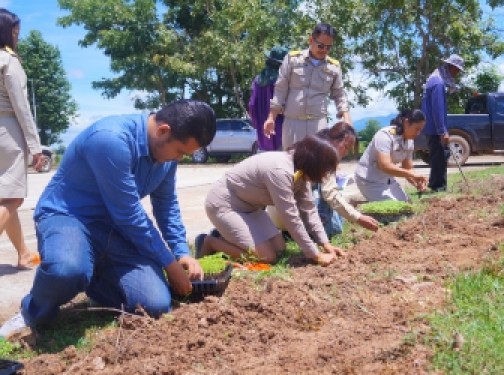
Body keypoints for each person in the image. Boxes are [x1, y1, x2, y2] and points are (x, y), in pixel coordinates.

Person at [0, 99, 217, 340]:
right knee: (67, 269)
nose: (178, 159)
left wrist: (181, 251)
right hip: (69, 218)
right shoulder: (111, 139)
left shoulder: (166, 157)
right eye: (179, 152)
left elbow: (166, 204)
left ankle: (91, 276)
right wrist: (169, 263)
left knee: (154, 305)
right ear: (163, 130)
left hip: (114, 229)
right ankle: (32, 310)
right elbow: (129, 214)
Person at [195, 135, 345, 266]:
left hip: (251, 208)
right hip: (225, 205)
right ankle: (210, 242)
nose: (325, 175)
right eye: (325, 169)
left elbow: (309, 210)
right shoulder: (280, 171)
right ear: (313, 163)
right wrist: (314, 254)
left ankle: (227, 236)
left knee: (279, 249)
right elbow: (290, 216)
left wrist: (325, 244)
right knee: (266, 257)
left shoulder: (301, 171)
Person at [0, 8, 44, 270]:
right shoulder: (8, 60)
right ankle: (24, 253)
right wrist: (36, 147)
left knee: (4, 196)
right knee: (13, 198)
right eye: (15, 31)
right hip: (7, 133)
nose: (18, 36)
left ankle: (23, 253)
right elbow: (21, 107)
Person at [263, 23, 351, 150]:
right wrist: (271, 117)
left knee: (317, 163)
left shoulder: (334, 67)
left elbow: (339, 94)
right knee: (291, 161)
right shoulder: (292, 59)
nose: (324, 50)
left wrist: (346, 118)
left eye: (328, 47)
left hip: (318, 124)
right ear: (311, 40)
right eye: (320, 45)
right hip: (292, 122)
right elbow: (280, 89)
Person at [313, 122, 379, 238]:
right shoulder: (324, 156)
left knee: (336, 225)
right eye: (346, 147)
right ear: (335, 140)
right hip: (292, 207)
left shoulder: (321, 148)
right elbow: (330, 194)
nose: (346, 152)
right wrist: (358, 217)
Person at [354, 109, 428, 201]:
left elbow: (407, 168)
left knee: (407, 204)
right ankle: (360, 206)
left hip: (387, 179)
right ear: (406, 122)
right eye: (417, 129)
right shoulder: (385, 135)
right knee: (397, 210)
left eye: (420, 130)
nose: (418, 133)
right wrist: (411, 174)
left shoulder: (409, 142)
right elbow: (385, 166)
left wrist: (417, 181)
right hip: (368, 181)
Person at [421, 54, 465, 192]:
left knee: (437, 157)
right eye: (457, 70)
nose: (457, 73)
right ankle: (438, 187)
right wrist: (442, 131)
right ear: (451, 67)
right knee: (439, 157)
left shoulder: (434, 79)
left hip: (431, 127)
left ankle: (435, 185)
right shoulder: (438, 83)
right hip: (435, 128)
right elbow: (437, 109)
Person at [248, 46, 288, 151]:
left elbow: (252, 105)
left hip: (263, 133)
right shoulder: (281, 80)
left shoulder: (257, 80)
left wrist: (258, 123)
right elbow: (283, 106)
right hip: (281, 131)